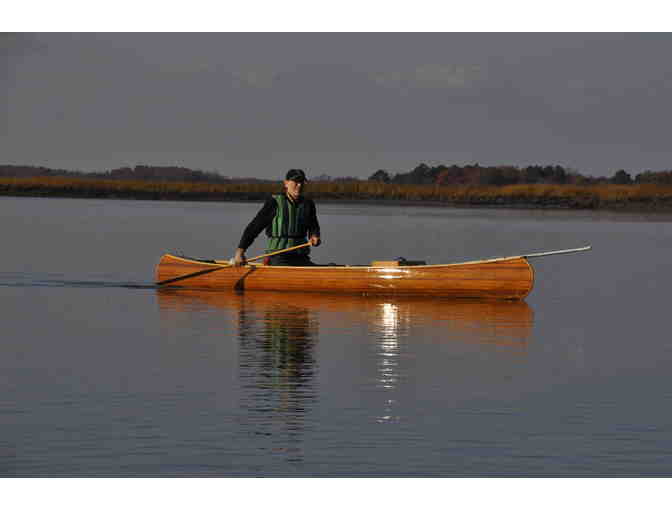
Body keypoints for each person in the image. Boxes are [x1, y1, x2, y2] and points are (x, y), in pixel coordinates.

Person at [233, 169, 321, 266]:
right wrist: (240, 252)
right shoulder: (274, 202)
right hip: (278, 257)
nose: (299, 185)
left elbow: (314, 226)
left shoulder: (308, 204)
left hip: (301, 257)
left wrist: (314, 236)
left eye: (301, 182)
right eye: (296, 182)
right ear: (286, 183)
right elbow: (254, 227)